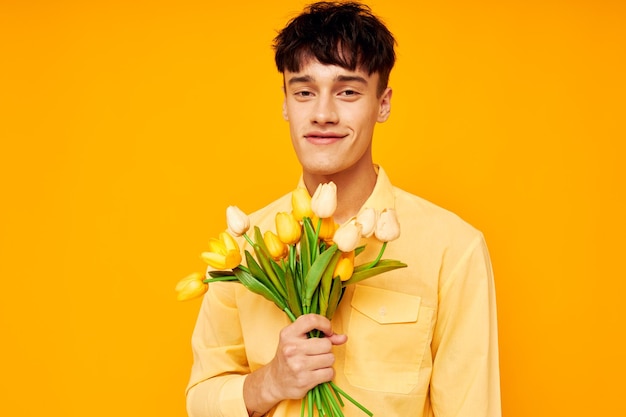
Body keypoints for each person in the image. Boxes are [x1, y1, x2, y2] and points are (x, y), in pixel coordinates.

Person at [185, 2, 501, 416]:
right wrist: (272, 380)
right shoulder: (243, 250)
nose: (322, 114)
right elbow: (200, 400)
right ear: (285, 104)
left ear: (383, 104)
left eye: (347, 92)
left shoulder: (453, 250)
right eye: (304, 92)